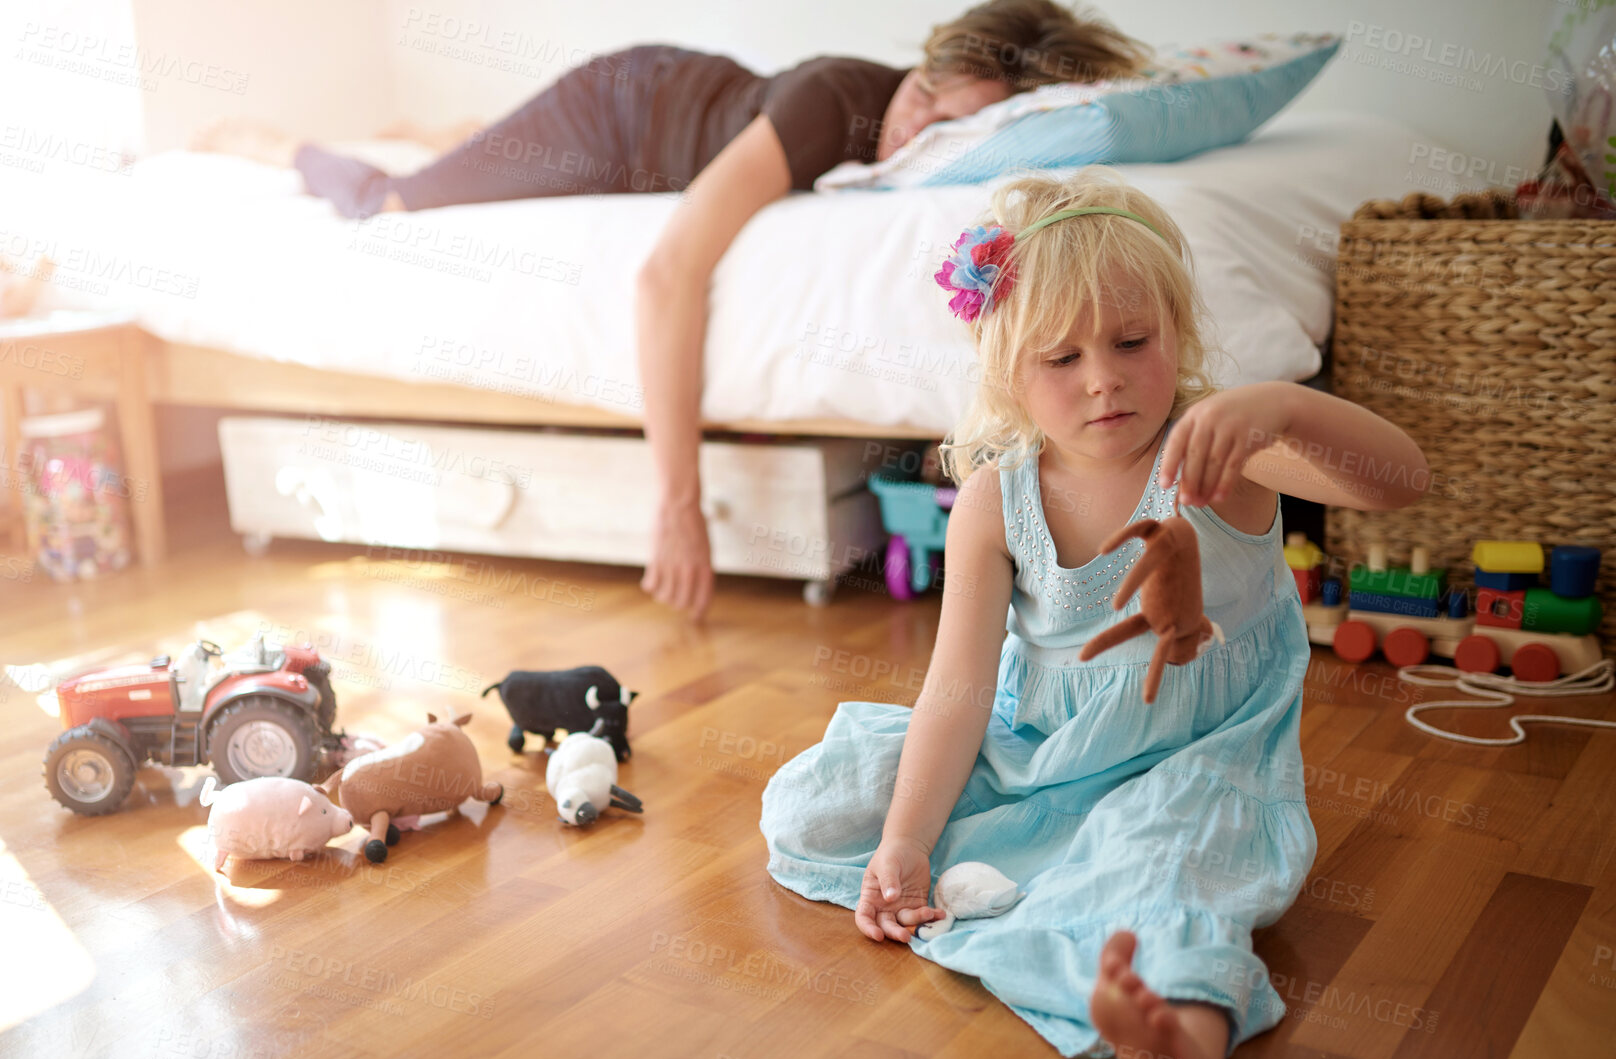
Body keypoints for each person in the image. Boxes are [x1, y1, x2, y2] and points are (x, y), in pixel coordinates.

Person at [756, 166, 1430, 1059]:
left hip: (1193, 764)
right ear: (1004, 374)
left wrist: (1282, 408)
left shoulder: (1218, 453)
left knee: (1164, 878)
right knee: (822, 795)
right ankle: (1037, 894)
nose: (1102, 378)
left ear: (1174, 334)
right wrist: (904, 838)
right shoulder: (995, 496)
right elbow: (957, 689)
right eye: (1059, 357)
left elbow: (1399, 481)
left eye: (1130, 342)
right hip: (1039, 752)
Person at [193, 1, 1154, 621]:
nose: (920, 131)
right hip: (614, 111)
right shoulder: (834, 103)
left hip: (677, 116)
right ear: (926, 66)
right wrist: (679, 504)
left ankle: (443, 142)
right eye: (924, 102)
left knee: (466, 167)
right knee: (389, 203)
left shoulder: (920, 129)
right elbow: (665, 274)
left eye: (953, 128)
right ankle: (291, 148)